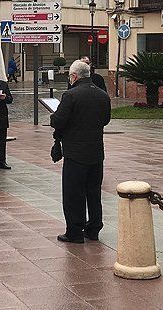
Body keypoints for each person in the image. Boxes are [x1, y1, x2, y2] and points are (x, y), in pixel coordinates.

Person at [51, 60, 111, 244]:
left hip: (75, 154)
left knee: (73, 194)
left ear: (74, 76)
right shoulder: (102, 95)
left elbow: (58, 121)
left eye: (70, 76)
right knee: (93, 192)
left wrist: (54, 116)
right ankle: (93, 228)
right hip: (95, 152)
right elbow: (105, 120)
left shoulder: (70, 95)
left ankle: (75, 231)